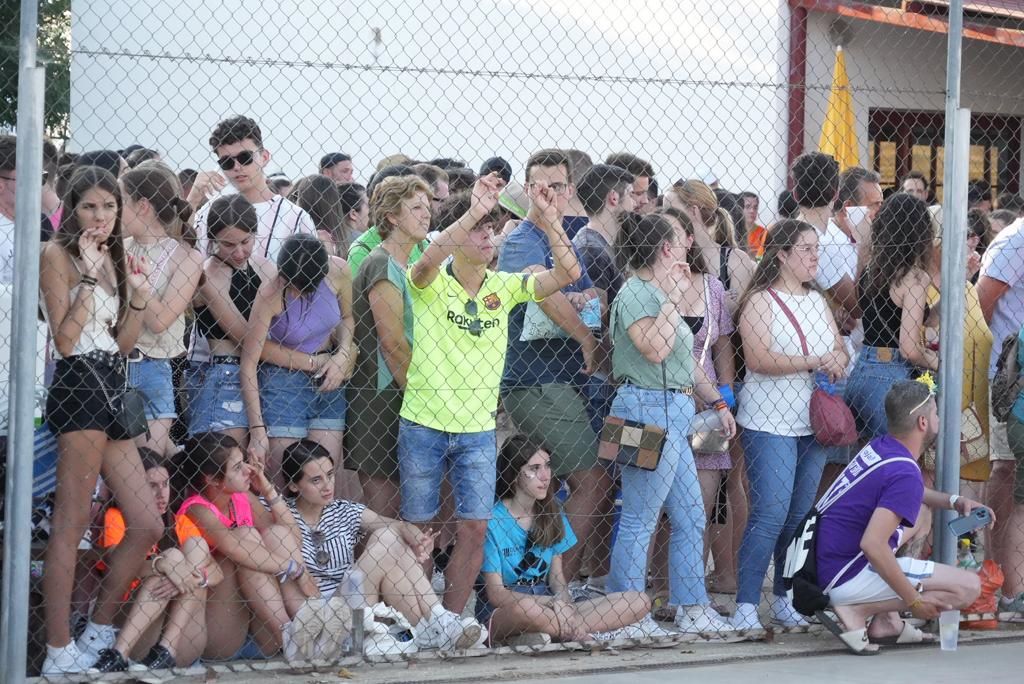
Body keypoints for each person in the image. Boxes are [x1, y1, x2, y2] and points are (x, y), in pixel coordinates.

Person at [400, 170, 579, 616]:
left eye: (491, 228)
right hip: (424, 422)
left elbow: (568, 273)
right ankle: (423, 623)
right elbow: (424, 264)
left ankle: (451, 621)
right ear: (457, 234)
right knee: (420, 533)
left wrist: (552, 218)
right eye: (479, 228)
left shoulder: (504, 286)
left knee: (476, 530)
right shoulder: (431, 281)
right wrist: (472, 211)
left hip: (478, 430)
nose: (488, 236)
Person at [38, 166, 164, 675]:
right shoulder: (57, 254)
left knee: (147, 522)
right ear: (72, 207)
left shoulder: (114, 257)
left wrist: (134, 293)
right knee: (70, 524)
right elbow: (66, 342)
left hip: (112, 382)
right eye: (90, 206)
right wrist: (87, 276)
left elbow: (125, 343)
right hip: (78, 387)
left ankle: (99, 631)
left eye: (109, 207)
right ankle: (57, 650)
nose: (101, 217)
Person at [606, 212, 738, 637]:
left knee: (691, 515)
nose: (687, 245)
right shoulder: (636, 292)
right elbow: (655, 350)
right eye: (681, 239)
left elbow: (685, 361)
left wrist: (717, 401)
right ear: (666, 248)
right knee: (640, 518)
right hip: (640, 407)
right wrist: (671, 298)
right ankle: (624, 616)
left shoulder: (662, 291)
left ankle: (692, 606)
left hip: (676, 409)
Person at [498, 149, 609, 583]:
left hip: (564, 379)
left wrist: (581, 302)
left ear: (570, 190)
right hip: (535, 380)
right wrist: (583, 334)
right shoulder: (522, 240)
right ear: (527, 190)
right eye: (540, 186)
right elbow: (542, 292)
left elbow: (593, 296)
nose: (549, 194)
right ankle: (560, 581)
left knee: (572, 484)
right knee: (591, 480)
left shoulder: (563, 238)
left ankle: (559, 579)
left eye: (558, 186)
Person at [732, 219, 849, 632]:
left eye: (817, 248)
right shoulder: (760, 301)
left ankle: (783, 595)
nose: (815, 256)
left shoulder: (818, 301)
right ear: (780, 254)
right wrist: (817, 361)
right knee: (770, 512)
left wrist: (837, 359)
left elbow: (837, 346)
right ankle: (746, 602)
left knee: (800, 515)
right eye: (806, 249)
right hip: (770, 420)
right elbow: (760, 359)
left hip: (812, 423)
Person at [814, 380, 987, 654]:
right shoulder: (904, 472)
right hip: (845, 577)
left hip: (827, 567)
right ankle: (857, 608)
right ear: (922, 422)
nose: (938, 418)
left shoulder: (883, 447)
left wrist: (955, 501)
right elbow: (872, 544)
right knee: (969, 587)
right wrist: (914, 601)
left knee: (920, 514)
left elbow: (912, 493)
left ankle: (887, 621)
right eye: (936, 413)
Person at [282, 439, 484, 652]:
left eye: (330, 475)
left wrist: (419, 540)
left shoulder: (343, 510)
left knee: (393, 561)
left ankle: (434, 629)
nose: (327, 486)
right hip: (321, 615)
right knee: (388, 539)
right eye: (316, 480)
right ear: (294, 485)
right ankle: (441, 622)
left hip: (359, 607)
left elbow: (396, 526)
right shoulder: (281, 514)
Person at [176, 433, 347, 662]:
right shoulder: (196, 509)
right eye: (237, 467)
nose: (248, 469)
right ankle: (290, 633)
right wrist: (296, 569)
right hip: (222, 633)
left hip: (261, 632)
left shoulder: (241, 497)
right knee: (246, 539)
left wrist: (266, 489)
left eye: (244, 462)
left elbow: (293, 537)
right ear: (213, 479)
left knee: (275, 533)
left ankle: (306, 624)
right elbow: (233, 547)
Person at [477, 435, 650, 645]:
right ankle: (574, 631)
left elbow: (557, 579)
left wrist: (562, 601)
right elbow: (496, 594)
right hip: (507, 609)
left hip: (550, 607)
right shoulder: (492, 521)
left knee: (639, 600)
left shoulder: (552, 512)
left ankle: (550, 633)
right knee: (528, 610)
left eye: (548, 466)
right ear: (514, 473)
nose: (545, 476)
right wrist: (553, 602)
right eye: (534, 469)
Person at [90, 449, 222, 672]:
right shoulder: (117, 518)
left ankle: (165, 651)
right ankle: (120, 652)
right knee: (171, 557)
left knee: (196, 551)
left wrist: (188, 576)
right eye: (152, 486)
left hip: (183, 637)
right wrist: (161, 564)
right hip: (133, 628)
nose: (162, 494)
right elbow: (116, 564)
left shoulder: (180, 521)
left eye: (165, 484)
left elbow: (217, 571)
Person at [346, 175, 432, 518]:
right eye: (415, 207)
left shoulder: (410, 265)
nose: (426, 214)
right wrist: (421, 398)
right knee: (383, 510)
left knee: (405, 508)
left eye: (427, 206)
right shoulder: (381, 263)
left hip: (404, 391)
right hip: (382, 396)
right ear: (392, 217)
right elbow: (393, 343)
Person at [242, 234, 355, 491]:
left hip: (329, 382)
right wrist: (257, 430)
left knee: (323, 481)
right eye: (292, 285)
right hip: (284, 383)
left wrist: (343, 354)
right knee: (285, 482)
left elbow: (348, 318)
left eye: (305, 288)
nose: (297, 292)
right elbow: (249, 362)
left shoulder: (339, 271)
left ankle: (319, 531)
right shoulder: (271, 293)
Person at [119, 164, 203, 457]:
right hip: (112, 367)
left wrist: (136, 285)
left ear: (142, 206)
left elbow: (160, 321)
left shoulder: (186, 257)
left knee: (148, 464)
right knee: (113, 471)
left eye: (120, 202)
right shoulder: (116, 248)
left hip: (153, 367)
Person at [845, 194, 937, 440]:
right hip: (891, 376)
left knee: (869, 460)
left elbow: (902, 318)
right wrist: (938, 363)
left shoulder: (870, 270)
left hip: (861, 370)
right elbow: (908, 348)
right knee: (898, 459)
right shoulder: (914, 278)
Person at [188, 195, 276, 443]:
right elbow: (247, 339)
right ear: (213, 240)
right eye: (228, 245)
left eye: (245, 241)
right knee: (228, 468)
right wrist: (309, 362)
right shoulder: (209, 275)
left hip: (267, 373)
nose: (239, 252)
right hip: (225, 376)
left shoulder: (263, 266)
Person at [977, 213, 1024, 610]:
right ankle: (1000, 580)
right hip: (1014, 381)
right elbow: (982, 304)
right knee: (1007, 470)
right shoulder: (1016, 239)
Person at [191, 116, 316, 261]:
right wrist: (192, 199)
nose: (237, 167)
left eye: (245, 157)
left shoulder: (295, 217)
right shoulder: (209, 211)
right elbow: (182, 251)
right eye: (227, 162)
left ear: (264, 157)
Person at [666, 180, 755, 306]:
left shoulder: (735, 260)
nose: (663, 216)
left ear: (693, 211)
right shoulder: (666, 256)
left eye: (670, 210)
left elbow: (736, 316)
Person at [347, 164, 422, 274]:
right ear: (391, 206)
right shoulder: (362, 251)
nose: (427, 214)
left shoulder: (421, 243)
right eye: (416, 206)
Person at [289, 174, 349, 257]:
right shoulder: (341, 236)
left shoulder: (309, 239)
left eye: (296, 196)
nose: (294, 202)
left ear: (306, 201)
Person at [740, 191, 766, 258]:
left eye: (755, 207)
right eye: (747, 206)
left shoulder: (763, 233)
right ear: (739, 208)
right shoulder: (733, 232)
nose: (752, 211)